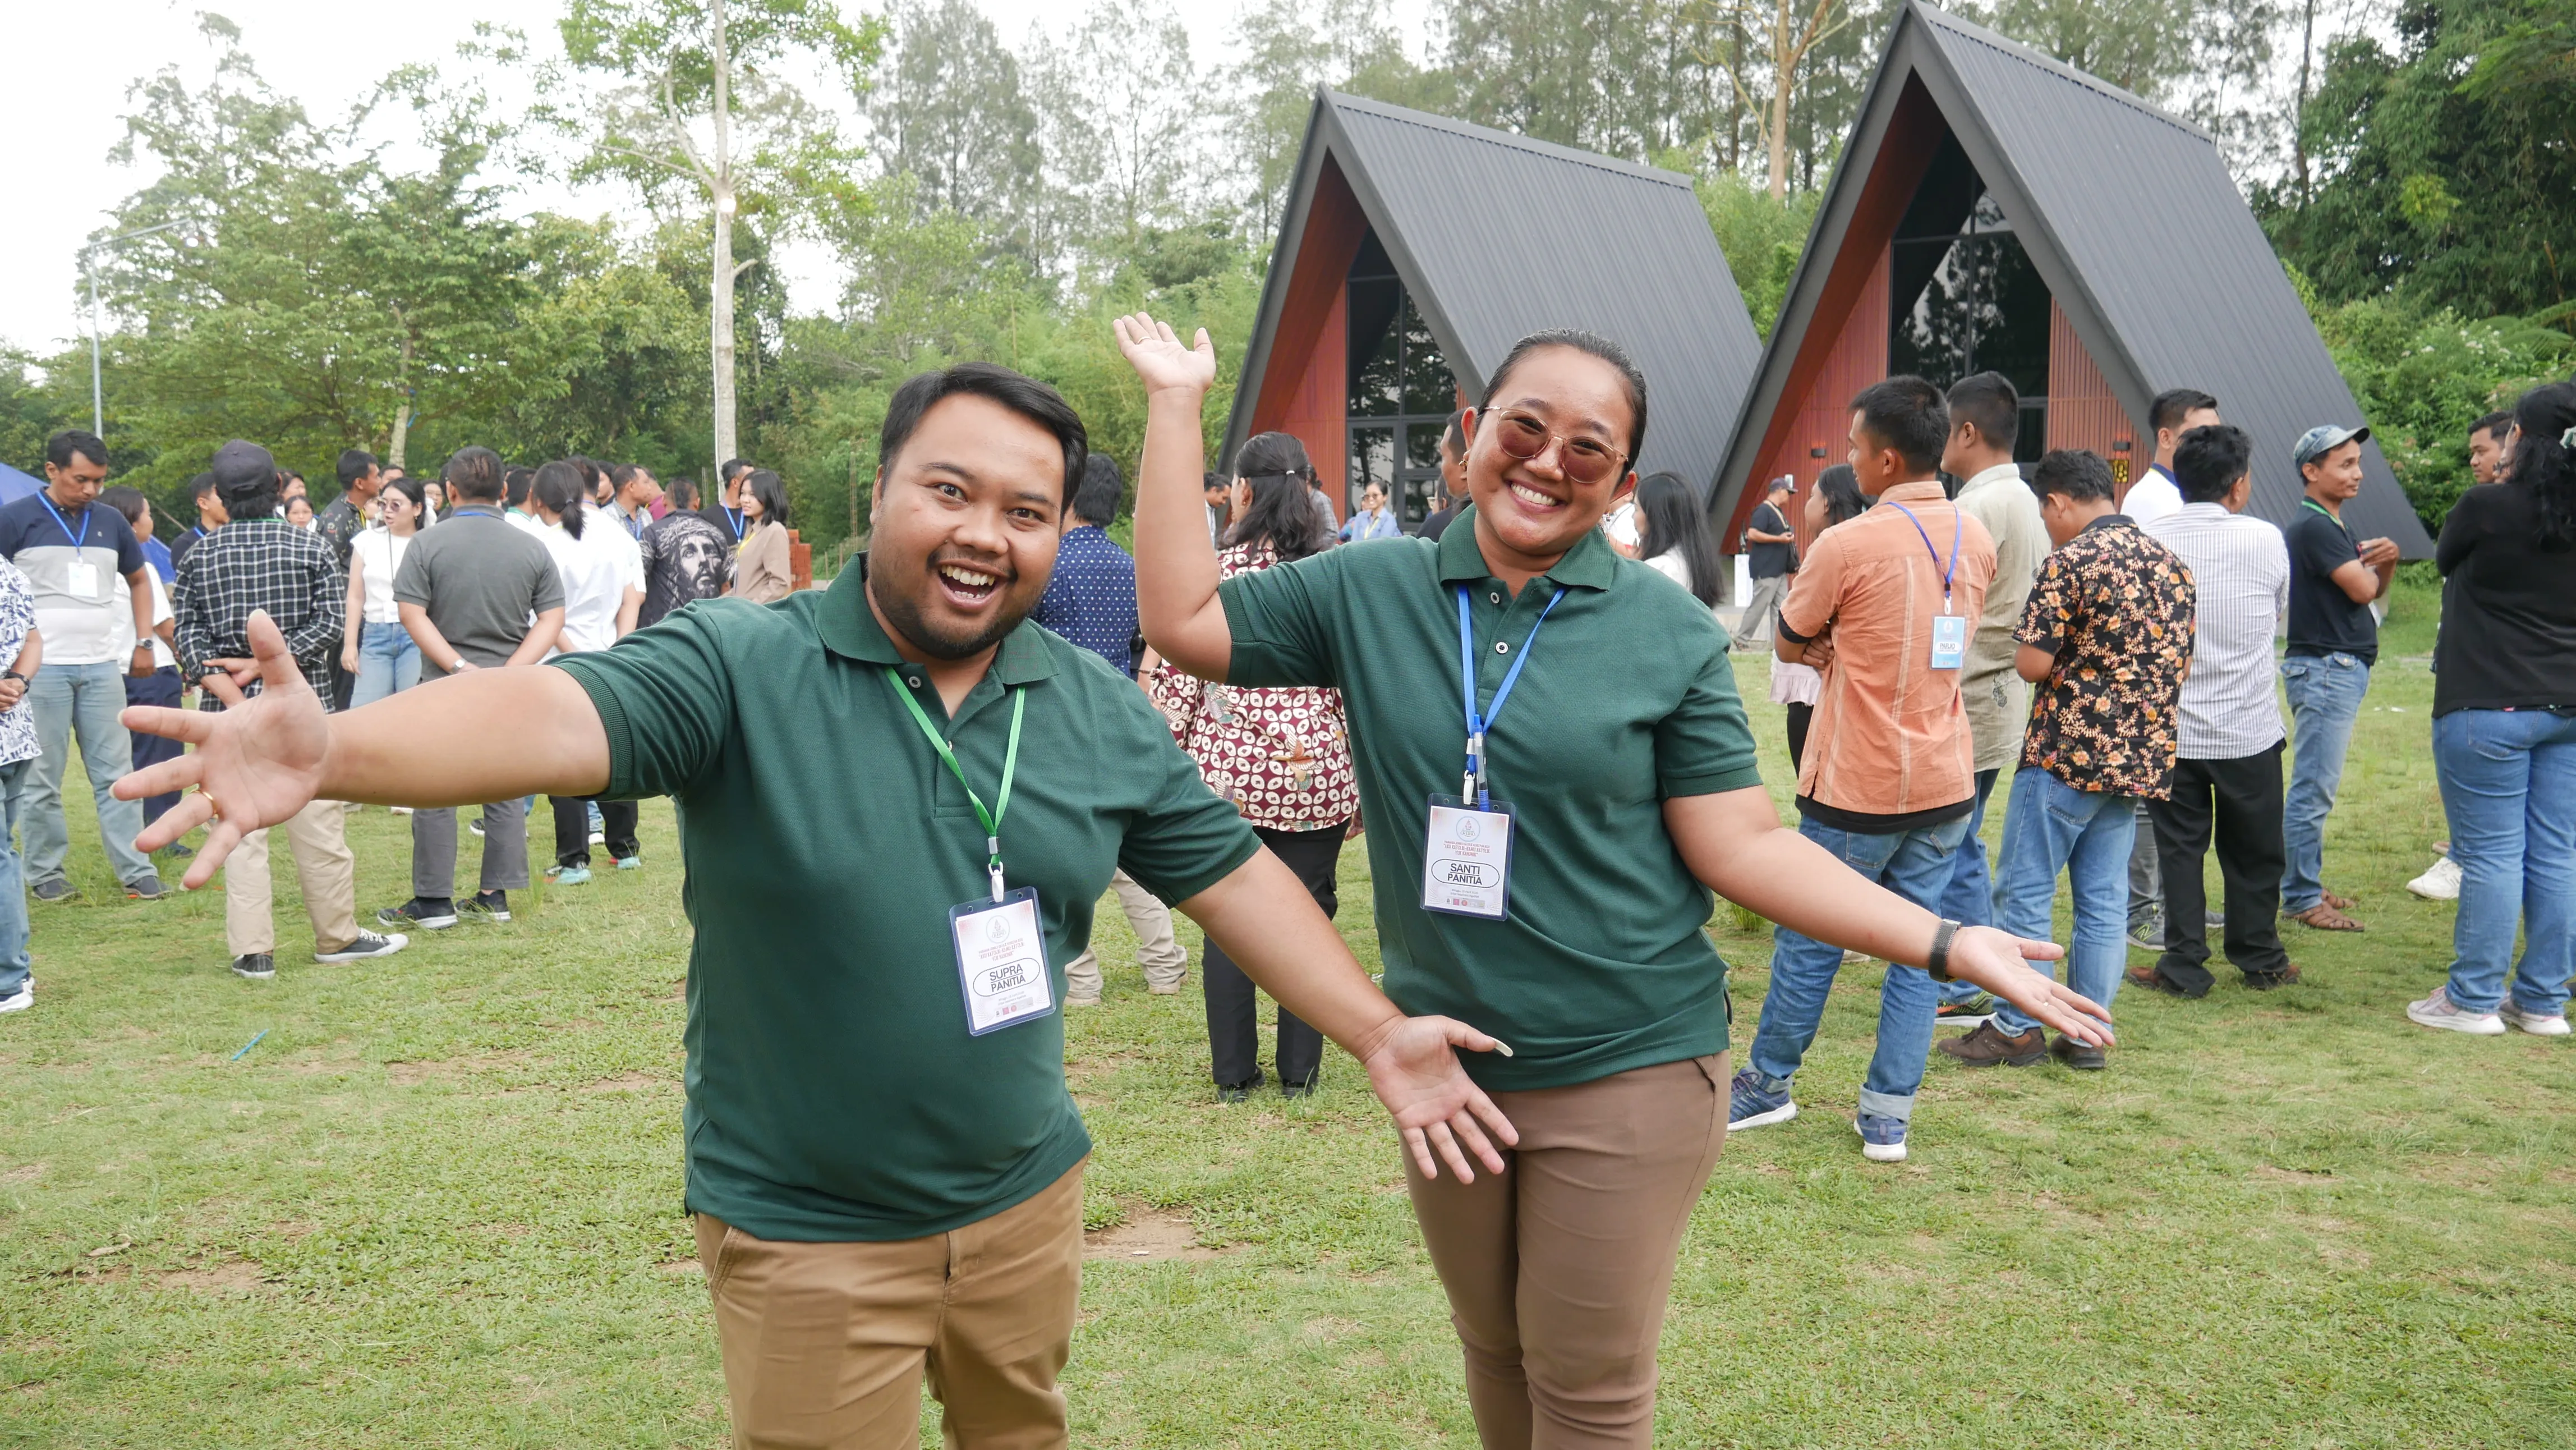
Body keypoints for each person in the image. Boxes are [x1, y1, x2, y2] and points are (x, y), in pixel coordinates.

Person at [117, 360, 1512, 1450]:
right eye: (949, 491)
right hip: (809, 1233)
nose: (984, 535)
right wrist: (338, 749)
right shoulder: (744, 662)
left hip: (1026, 1199)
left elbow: (1237, 875)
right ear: (880, 491)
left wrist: (1374, 1028)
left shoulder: (1092, 707)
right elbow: (552, 714)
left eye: (1024, 512)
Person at [1117, 313, 2100, 1450]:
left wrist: (1945, 938)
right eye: (1524, 429)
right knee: (1493, 1346)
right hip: (1445, 1061)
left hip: (1625, 1063)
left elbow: (1743, 844)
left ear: (1621, 482)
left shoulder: (1663, 630)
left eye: (1587, 448)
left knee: (1584, 1385)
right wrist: (1176, 407)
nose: (1548, 461)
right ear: (1471, 433)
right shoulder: (1368, 587)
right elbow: (1179, 619)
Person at [1738, 375, 1998, 1162]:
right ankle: (1888, 1114)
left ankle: (1768, 1084)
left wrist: (1839, 651)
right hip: (1945, 778)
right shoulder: (1975, 536)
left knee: (1811, 938)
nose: (1847, 460)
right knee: (1923, 947)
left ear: (1885, 460)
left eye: (1853, 447)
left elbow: (1789, 639)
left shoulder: (1848, 544)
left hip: (1858, 779)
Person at [1941, 449, 2194, 1070]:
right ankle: (2086, 1033)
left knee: (2025, 891)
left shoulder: (2071, 561)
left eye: (2044, 513)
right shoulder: (2171, 565)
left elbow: (2031, 664)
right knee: (2103, 900)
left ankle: (2016, 1026)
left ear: (2057, 502)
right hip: (2137, 760)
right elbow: (2176, 664)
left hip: (2064, 754)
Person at [1147, 432, 1355, 1097]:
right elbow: (1355, 684)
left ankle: (1234, 1075)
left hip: (1227, 783)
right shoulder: (1332, 577)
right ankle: (1301, 1073)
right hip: (1314, 776)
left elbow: (1178, 679)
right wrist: (1358, 779)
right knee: (1311, 919)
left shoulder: (1213, 575)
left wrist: (1166, 759)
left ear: (1240, 491)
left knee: (1230, 924)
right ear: (1308, 488)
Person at [174, 441, 406, 979]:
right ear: (278, 488)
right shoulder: (308, 546)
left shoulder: (197, 556)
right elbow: (331, 623)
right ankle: (337, 936)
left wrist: (238, 687)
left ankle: (253, 951)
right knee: (319, 825)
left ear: (220, 495)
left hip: (225, 716)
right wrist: (269, 663)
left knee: (238, 830)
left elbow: (188, 638)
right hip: (305, 710)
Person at [2408, 384, 2576, 1035]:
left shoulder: (2484, 506)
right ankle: (2541, 1001)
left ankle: (2472, 998)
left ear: (2520, 439)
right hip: (2565, 706)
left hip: (2485, 703)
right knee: (2556, 855)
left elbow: (2445, 559)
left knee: (2490, 856)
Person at [2127, 424, 2300, 999]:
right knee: (2255, 850)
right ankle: (2260, 957)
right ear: (2238, 484)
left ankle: (2182, 963)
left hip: (2171, 729)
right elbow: (2277, 613)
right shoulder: (2264, 538)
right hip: (2246, 727)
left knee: (2178, 852)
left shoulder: (2149, 538)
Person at [379, 447, 565, 931]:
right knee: (504, 787)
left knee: (432, 788)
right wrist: (510, 670)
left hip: (441, 686)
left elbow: (411, 614)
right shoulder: (531, 546)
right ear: (505, 490)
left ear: (451, 490)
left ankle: (433, 900)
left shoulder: (426, 544)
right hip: (508, 688)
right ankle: (494, 895)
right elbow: (552, 619)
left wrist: (458, 666)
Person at [1028, 453, 1188, 1004]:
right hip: (1118, 719)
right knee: (1127, 852)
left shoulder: (1046, 566)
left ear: (1068, 498)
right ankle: (1164, 965)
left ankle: (1080, 978)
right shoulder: (1129, 567)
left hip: (1056, 721)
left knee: (1060, 849)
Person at [0, 430, 166, 902]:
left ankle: (137, 869)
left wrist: (144, 641)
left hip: (101, 666)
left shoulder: (111, 521)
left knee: (117, 773)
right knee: (42, 778)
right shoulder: (14, 519)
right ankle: (45, 873)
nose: (91, 489)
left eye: (99, 480)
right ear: (52, 470)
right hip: (39, 670)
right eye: (81, 480)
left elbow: (139, 580)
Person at [1934, 373, 2049, 1024]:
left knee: (1950, 841)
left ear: (1967, 433)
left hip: (1970, 690)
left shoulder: (1975, 508)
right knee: (1962, 836)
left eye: (1944, 428)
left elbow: (1948, 607)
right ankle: (1965, 971)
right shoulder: (2022, 497)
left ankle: (1962, 979)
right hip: (1999, 692)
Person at [2280, 423, 2398, 932]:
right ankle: (2301, 896)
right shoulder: (2316, 528)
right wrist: (2385, 563)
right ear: (2311, 471)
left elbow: (2372, 589)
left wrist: (2384, 565)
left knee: (2316, 786)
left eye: (2358, 463)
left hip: (2334, 668)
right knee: (2314, 789)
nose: (2358, 473)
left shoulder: (2333, 525)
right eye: (2345, 464)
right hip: (2327, 668)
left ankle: (2304, 880)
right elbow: (2363, 591)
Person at [2119, 388, 2221, 946]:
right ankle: (2142, 909)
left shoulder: (2182, 494)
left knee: (2178, 796)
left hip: (2188, 668)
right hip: (2157, 672)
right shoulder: (2150, 500)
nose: (2208, 442)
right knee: (2146, 798)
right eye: (2196, 432)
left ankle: (2181, 902)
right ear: (2165, 436)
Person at [2407, 410, 2519, 902]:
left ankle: (2464, 855)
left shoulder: (2490, 508)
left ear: (2512, 445)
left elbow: (2444, 559)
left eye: (2481, 451)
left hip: (2489, 680)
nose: (2474, 460)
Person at [530, 461, 643, 883]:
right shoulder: (617, 535)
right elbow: (631, 599)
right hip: (609, 656)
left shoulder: (542, 543)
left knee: (563, 758)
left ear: (539, 501)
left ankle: (573, 860)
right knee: (614, 749)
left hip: (560, 660)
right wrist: (620, 648)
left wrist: (572, 653)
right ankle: (625, 849)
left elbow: (546, 614)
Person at [99, 488, 185, 843]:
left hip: (116, 671)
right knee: (162, 755)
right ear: (131, 523)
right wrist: (188, 659)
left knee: (135, 753)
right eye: (147, 513)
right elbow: (165, 627)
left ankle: (139, 827)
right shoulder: (141, 568)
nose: (151, 520)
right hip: (153, 671)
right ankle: (161, 832)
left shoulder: (100, 567)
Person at [1777, 468, 1866, 775]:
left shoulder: (1832, 549)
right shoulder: (1860, 544)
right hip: (1823, 688)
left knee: (1815, 787)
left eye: (1813, 495)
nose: (1808, 503)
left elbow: (1788, 632)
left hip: (1816, 696)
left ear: (1827, 502)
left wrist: (1812, 638)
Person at [342, 475, 429, 709]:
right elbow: (355, 596)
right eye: (383, 504)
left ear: (417, 508)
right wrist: (350, 644)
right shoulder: (366, 540)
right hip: (375, 633)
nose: (387, 511)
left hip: (417, 633)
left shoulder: (428, 543)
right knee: (365, 711)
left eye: (396, 505)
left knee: (414, 710)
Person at [0, 559, 40, 1013]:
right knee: (4, 856)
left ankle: (8, 980)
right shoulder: (9, 571)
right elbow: (32, 638)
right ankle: (15, 970)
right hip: (15, 734)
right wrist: (17, 681)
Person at [637, 476, 734, 628]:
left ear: (664, 502)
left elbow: (637, 579)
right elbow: (729, 583)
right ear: (697, 502)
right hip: (708, 627)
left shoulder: (652, 534)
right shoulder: (716, 534)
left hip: (663, 629)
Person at [1634, 470, 1722, 611]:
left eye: (1636, 509)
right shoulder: (1695, 560)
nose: (1633, 516)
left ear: (1655, 515)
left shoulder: (1658, 569)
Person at [1732, 475, 1796, 651]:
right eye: (1788, 492)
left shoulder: (1777, 511)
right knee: (1759, 605)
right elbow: (1752, 534)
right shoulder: (1763, 511)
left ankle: (1778, 646)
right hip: (1766, 569)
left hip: (1779, 570)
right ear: (1780, 490)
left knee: (1781, 609)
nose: (1789, 496)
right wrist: (1779, 539)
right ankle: (1742, 638)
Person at [733, 470, 796, 604]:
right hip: (739, 611)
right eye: (743, 493)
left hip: (755, 614)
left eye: (753, 495)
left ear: (769, 497)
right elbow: (744, 588)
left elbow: (779, 584)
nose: (745, 500)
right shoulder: (751, 530)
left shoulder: (774, 531)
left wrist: (751, 610)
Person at [1418, 415, 1469, 542]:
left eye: (1443, 456)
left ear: (1464, 464)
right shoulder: (1509, 515)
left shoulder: (1437, 529)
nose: (1442, 468)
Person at [168, 472, 225, 576]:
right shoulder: (185, 545)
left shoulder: (241, 535)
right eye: (223, 497)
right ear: (203, 503)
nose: (230, 502)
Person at [699, 457, 755, 548]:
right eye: (751, 479)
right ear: (735, 482)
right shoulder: (706, 518)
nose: (756, 483)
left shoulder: (756, 514)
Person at [607, 463, 662, 539]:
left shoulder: (646, 515)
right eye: (645, 483)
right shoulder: (606, 517)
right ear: (631, 486)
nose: (649, 488)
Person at [1338, 481, 1402, 543]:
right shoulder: (1360, 516)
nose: (1371, 499)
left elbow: (1383, 545)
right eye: (1368, 496)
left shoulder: (1389, 519)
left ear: (1385, 497)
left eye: (1375, 495)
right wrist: (1350, 528)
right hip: (1358, 550)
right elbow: (1353, 542)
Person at [1202, 470, 1231, 543]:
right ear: (1214, 490)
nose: (1224, 503)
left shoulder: (1211, 509)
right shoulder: (1198, 508)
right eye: (1224, 498)